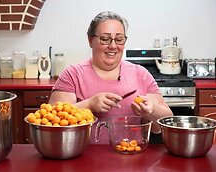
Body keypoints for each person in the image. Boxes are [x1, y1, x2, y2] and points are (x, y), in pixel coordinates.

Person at [48, 11, 173, 144]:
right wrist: (89, 105)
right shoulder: (72, 75)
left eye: (119, 39)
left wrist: (151, 110)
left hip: (130, 156)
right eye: (105, 39)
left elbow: (165, 123)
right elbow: (51, 123)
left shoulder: (141, 74)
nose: (113, 46)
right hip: (83, 159)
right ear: (90, 40)